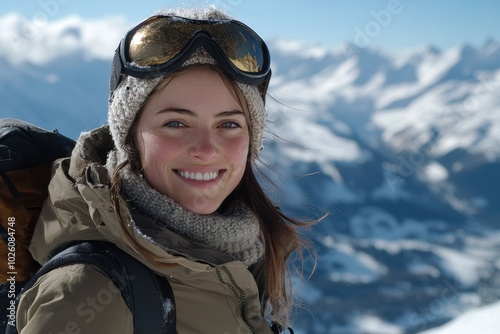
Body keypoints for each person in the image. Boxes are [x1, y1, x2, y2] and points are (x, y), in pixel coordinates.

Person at [15, 6, 312, 334]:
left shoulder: (239, 258)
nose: (205, 149)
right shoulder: (89, 295)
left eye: (228, 124)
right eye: (175, 123)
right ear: (130, 137)